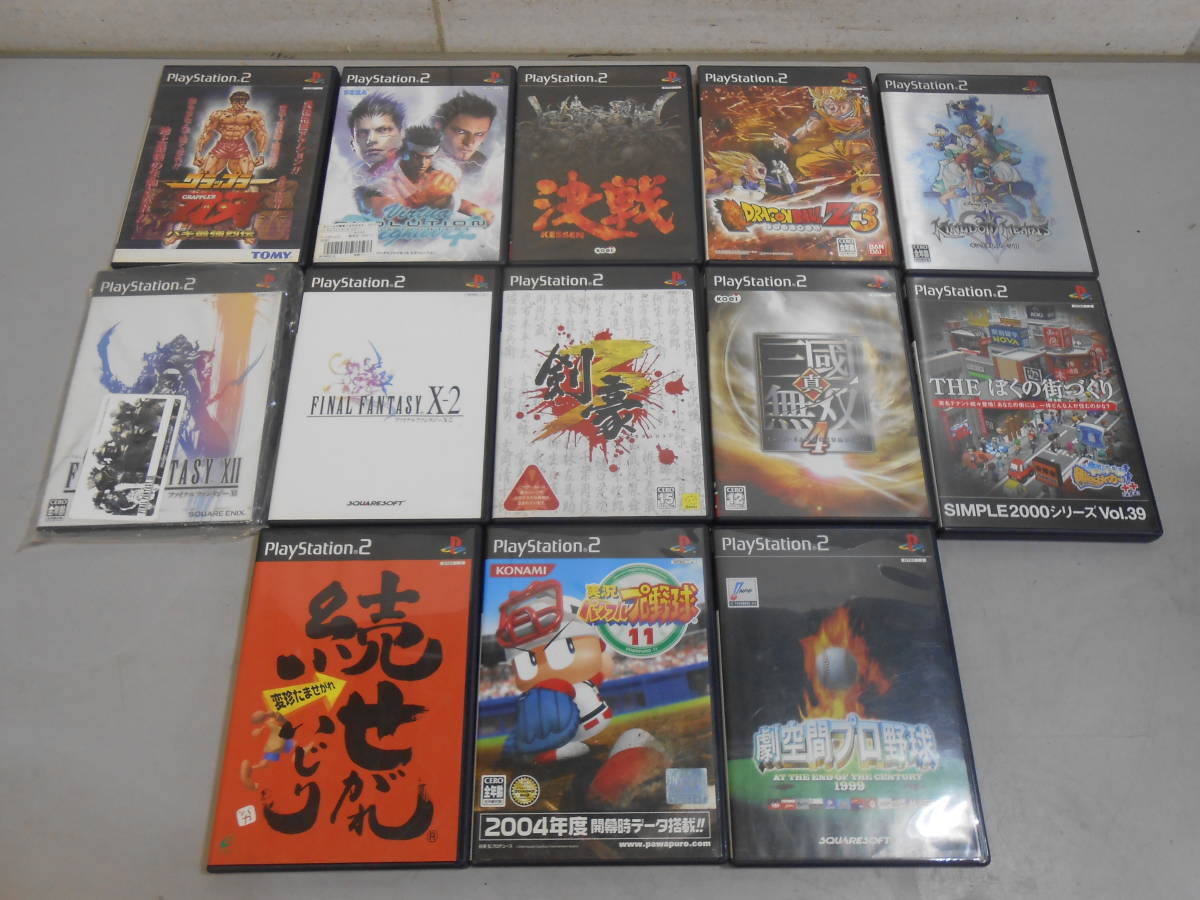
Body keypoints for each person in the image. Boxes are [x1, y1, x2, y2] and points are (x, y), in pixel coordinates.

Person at [193, 90, 268, 177]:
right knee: (204, 173)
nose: (239, 105)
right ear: (232, 102)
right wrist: (198, 153)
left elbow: (261, 133)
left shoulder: (253, 115)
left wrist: (261, 154)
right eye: (237, 102)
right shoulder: (219, 115)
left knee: (245, 175)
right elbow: (206, 132)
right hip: (222, 145)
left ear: (245, 102)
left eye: (242, 102)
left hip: (240, 146)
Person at [433, 91, 498, 178]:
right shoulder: (421, 162)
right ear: (439, 127)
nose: (469, 143)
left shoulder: (486, 166)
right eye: (461, 132)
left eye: (479, 134)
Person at [347, 92, 406, 183]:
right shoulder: (349, 181)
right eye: (362, 133)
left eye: (383, 130)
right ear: (352, 144)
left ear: (402, 134)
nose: (371, 140)